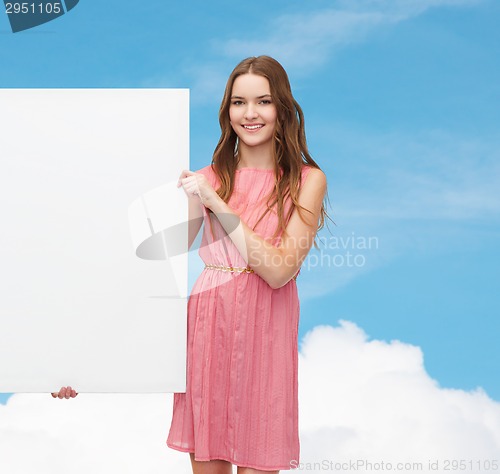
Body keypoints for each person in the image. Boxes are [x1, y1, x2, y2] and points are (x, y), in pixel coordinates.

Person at [52, 55, 331, 474]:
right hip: (207, 325)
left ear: (283, 108)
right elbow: (143, 276)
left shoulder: (306, 181)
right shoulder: (205, 177)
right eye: (238, 102)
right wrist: (81, 362)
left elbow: (278, 270)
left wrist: (216, 202)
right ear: (227, 110)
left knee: (261, 457)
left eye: (263, 101)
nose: (250, 113)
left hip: (266, 330)